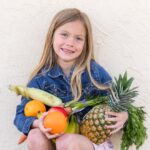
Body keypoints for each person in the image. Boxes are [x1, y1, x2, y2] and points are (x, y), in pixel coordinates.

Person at [14, 8, 128, 150]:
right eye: (64, 35)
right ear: (52, 37)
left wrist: (124, 115)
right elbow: (19, 116)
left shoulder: (94, 73)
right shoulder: (41, 80)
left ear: (85, 43)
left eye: (78, 38)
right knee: (35, 136)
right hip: (55, 138)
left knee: (67, 142)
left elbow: (118, 101)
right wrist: (37, 123)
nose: (70, 43)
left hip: (90, 141)